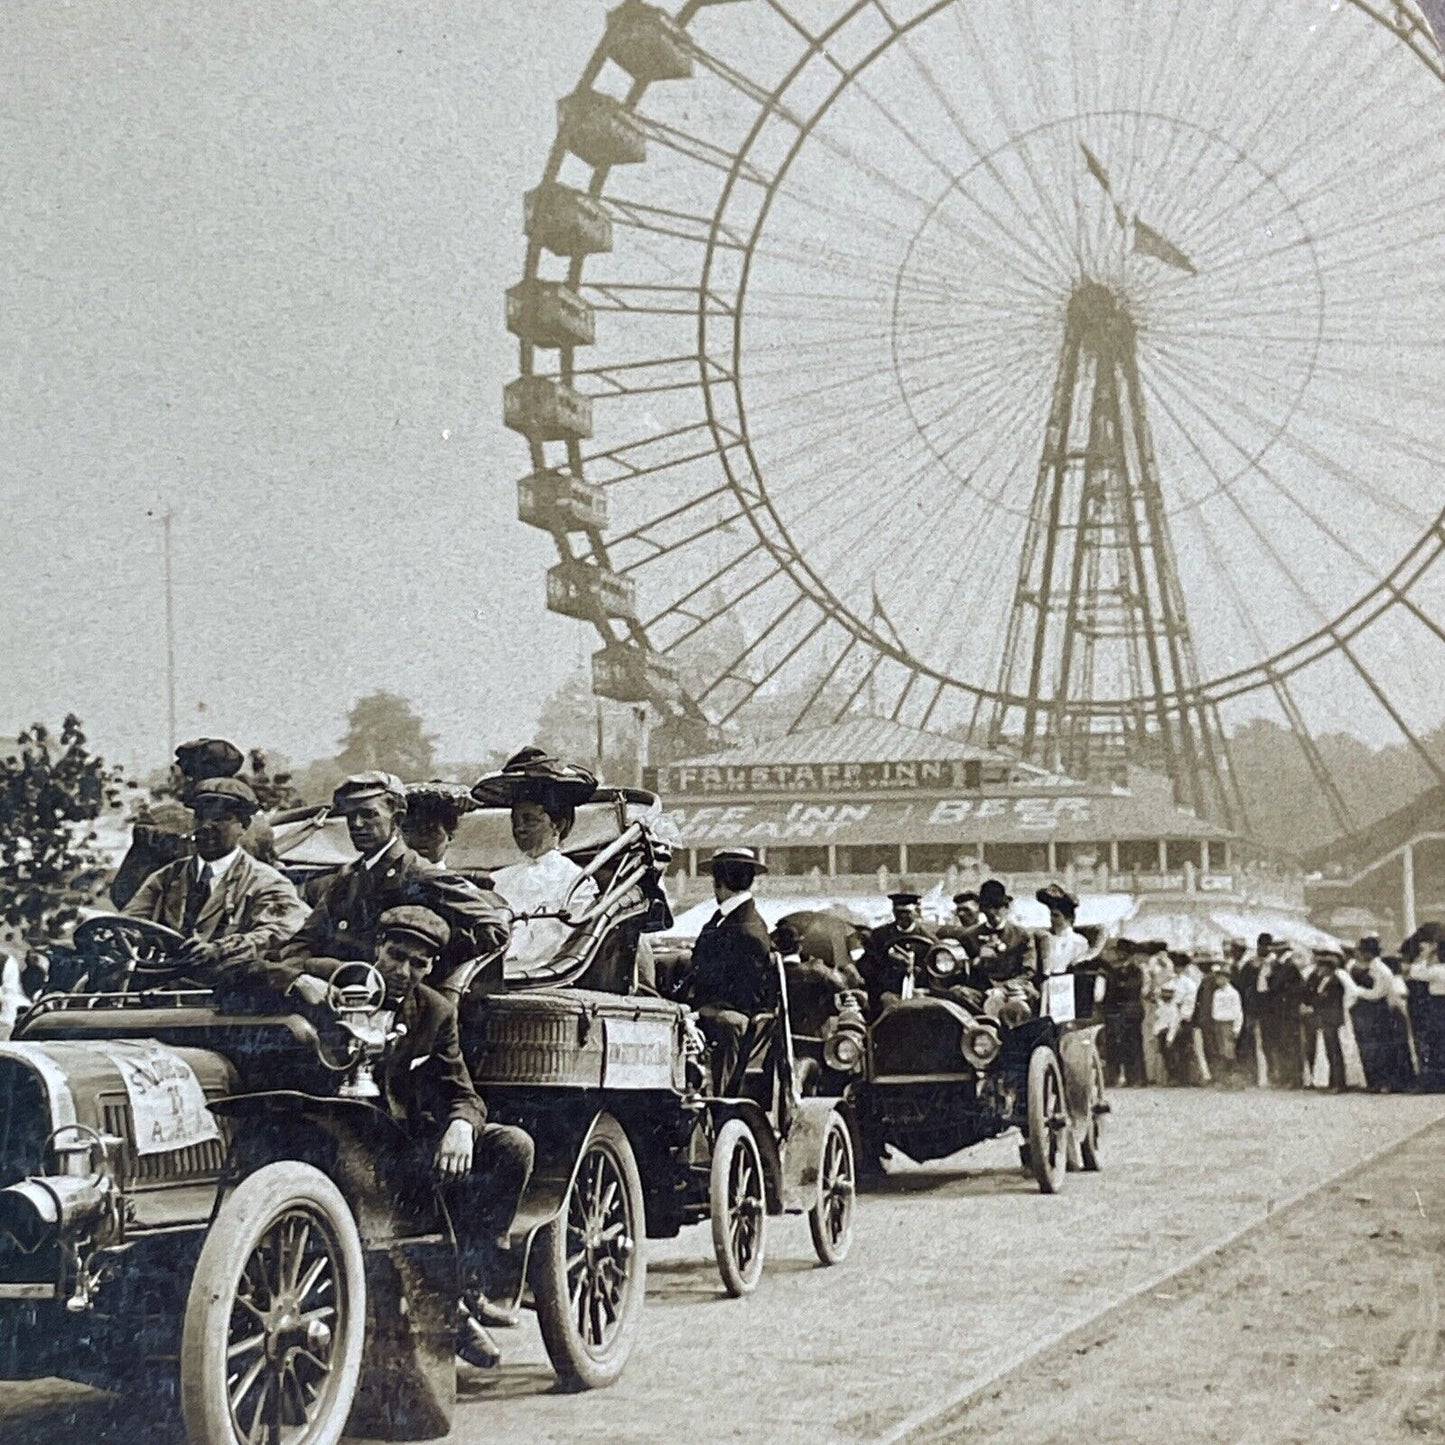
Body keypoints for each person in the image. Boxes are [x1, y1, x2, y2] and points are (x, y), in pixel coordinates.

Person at [319, 905, 533, 1369]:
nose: (404, 971)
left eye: (420, 964)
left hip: (404, 1144)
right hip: (336, 1139)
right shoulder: (337, 988)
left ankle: (465, 1288)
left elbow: (463, 1092)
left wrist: (461, 1125)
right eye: (396, 956)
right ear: (377, 948)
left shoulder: (435, 1011)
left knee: (511, 1146)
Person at [276, 772, 510, 999]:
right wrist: (298, 974)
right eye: (350, 816)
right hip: (333, 995)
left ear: (396, 820)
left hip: (395, 1006)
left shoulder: (417, 873)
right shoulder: (348, 876)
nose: (357, 824)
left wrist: (427, 969)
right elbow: (304, 940)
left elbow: (493, 927)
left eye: (369, 815)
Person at [120, 778, 309, 980]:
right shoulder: (167, 877)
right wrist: (124, 936)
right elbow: (130, 921)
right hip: (163, 991)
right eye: (201, 818)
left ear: (243, 827)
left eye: (220, 818)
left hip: (228, 994)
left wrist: (221, 949)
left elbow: (283, 929)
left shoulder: (266, 882)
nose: (207, 826)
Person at [473, 748, 600, 978]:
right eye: (515, 821)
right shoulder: (500, 879)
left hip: (541, 974)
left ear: (558, 825)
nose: (519, 828)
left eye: (529, 820)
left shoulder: (576, 882)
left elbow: (566, 945)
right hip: (491, 971)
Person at [110, 737, 277, 908]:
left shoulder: (159, 820)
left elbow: (123, 893)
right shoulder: (259, 826)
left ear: (189, 776)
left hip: (171, 930)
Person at [677, 848, 777, 1096]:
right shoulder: (726, 919)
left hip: (731, 1015)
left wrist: (698, 1011)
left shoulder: (746, 929)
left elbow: (744, 997)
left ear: (719, 883)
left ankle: (720, 1100)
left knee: (726, 1023)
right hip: (712, 1007)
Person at [858, 889, 939, 1016]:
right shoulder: (879, 936)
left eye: (906, 912)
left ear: (916, 912)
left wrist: (918, 972)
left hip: (920, 991)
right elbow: (867, 966)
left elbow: (936, 970)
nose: (902, 917)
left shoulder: (929, 938)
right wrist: (887, 965)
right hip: (887, 992)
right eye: (898, 912)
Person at [967, 878, 1039, 989]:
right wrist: (977, 961)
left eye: (996, 907)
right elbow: (960, 968)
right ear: (981, 909)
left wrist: (1008, 986)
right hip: (981, 990)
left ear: (1006, 907)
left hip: (1013, 989)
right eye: (987, 907)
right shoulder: (970, 936)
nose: (992, 913)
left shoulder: (1021, 935)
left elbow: (1029, 970)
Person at [1035, 884, 1090, 1021]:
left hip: (1068, 986)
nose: (1052, 919)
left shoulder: (1078, 941)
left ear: (1068, 918)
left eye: (1056, 916)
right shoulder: (1046, 939)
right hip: (1047, 985)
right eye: (1051, 915)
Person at [400, 781, 476, 865]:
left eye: (431, 829)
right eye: (412, 828)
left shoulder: (451, 876)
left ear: (449, 834)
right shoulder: (389, 873)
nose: (422, 837)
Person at [1305, 947, 1348, 1091]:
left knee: (1334, 1050)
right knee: (1329, 1050)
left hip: (1332, 1018)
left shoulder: (1335, 981)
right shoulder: (1323, 980)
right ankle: (1332, 1081)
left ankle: (1338, 1082)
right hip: (1325, 1018)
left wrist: (1316, 1001)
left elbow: (1327, 999)